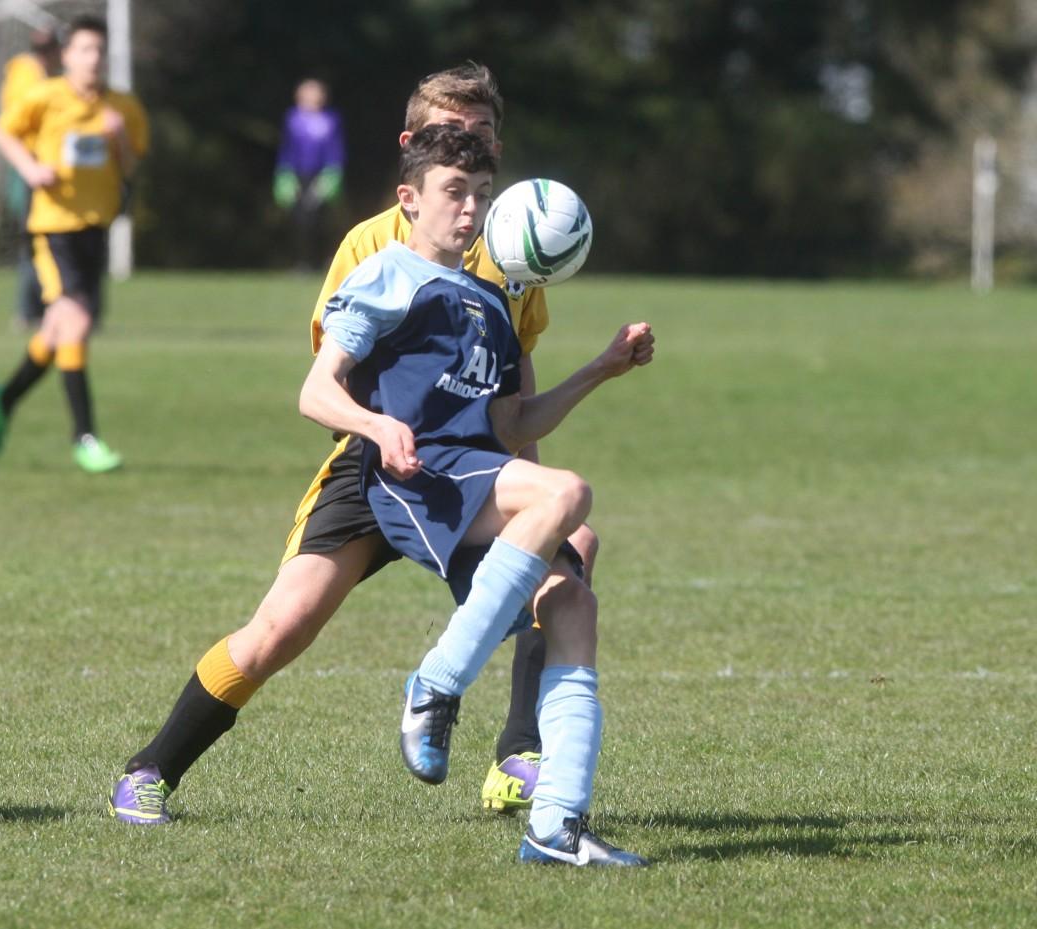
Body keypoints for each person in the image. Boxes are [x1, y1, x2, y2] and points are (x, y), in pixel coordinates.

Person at [108, 63, 597, 825]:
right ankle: (150, 768)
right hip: (377, 469)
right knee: (281, 628)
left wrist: (523, 486)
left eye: (480, 139)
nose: (467, 153)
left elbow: (512, 394)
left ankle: (517, 757)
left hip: (469, 464)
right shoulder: (372, 248)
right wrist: (383, 430)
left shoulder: (513, 259)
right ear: (414, 152)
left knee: (570, 554)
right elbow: (330, 385)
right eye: (452, 138)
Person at [301, 123, 654, 866]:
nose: (469, 210)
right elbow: (314, 390)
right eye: (454, 193)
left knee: (571, 602)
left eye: (482, 195)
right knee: (567, 492)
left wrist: (600, 369)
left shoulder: (494, 307)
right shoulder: (386, 275)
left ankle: (557, 826)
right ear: (410, 199)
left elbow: (512, 423)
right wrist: (374, 425)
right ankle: (435, 685)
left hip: (474, 472)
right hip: (419, 477)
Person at [0, 15, 148, 473]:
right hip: (53, 228)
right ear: (67, 55)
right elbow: (3, 132)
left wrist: (117, 139)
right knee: (74, 324)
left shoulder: (122, 107)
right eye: (83, 50)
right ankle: (85, 437)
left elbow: (132, 166)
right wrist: (30, 169)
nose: (92, 58)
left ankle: (7, 395)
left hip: (96, 228)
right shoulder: (45, 96)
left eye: (98, 50)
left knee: (58, 332)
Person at [0, 27, 61, 330]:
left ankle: (50, 307)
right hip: (30, 166)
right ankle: (28, 310)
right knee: (35, 237)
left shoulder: (49, 78)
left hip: (51, 166)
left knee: (48, 238)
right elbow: (8, 129)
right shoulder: (26, 77)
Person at [273, 78, 345, 270]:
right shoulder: (292, 119)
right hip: (297, 175)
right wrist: (284, 175)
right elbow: (286, 150)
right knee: (300, 219)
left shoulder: (330, 120)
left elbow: (335, 151)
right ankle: (302, 262)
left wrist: (332, 176)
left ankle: (325, 260)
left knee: (321, 218)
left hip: (322, 176)